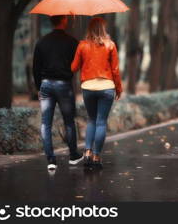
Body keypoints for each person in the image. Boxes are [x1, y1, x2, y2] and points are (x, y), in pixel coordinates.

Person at [32, 15, 83, 171]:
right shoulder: (72, 42)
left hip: (46, 84)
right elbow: (79, 63)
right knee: (69, 121)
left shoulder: (41, 42)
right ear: (64, 21)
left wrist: (38, 88)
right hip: (64, 85)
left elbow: (36, 67)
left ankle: (51, 160)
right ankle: (73, 155)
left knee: (45, 123)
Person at [71, 17, 122, 169]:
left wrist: (81, 58)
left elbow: (73, 67)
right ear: (103, 29)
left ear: (89, 29)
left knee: (91, 120)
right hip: (106, 87)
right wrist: (118, 88)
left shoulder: (82, 45)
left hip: (88, 87)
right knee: (101, 122)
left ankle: (87, 152)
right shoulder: (110, 45)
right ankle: (96, 156)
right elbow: (115, 70)